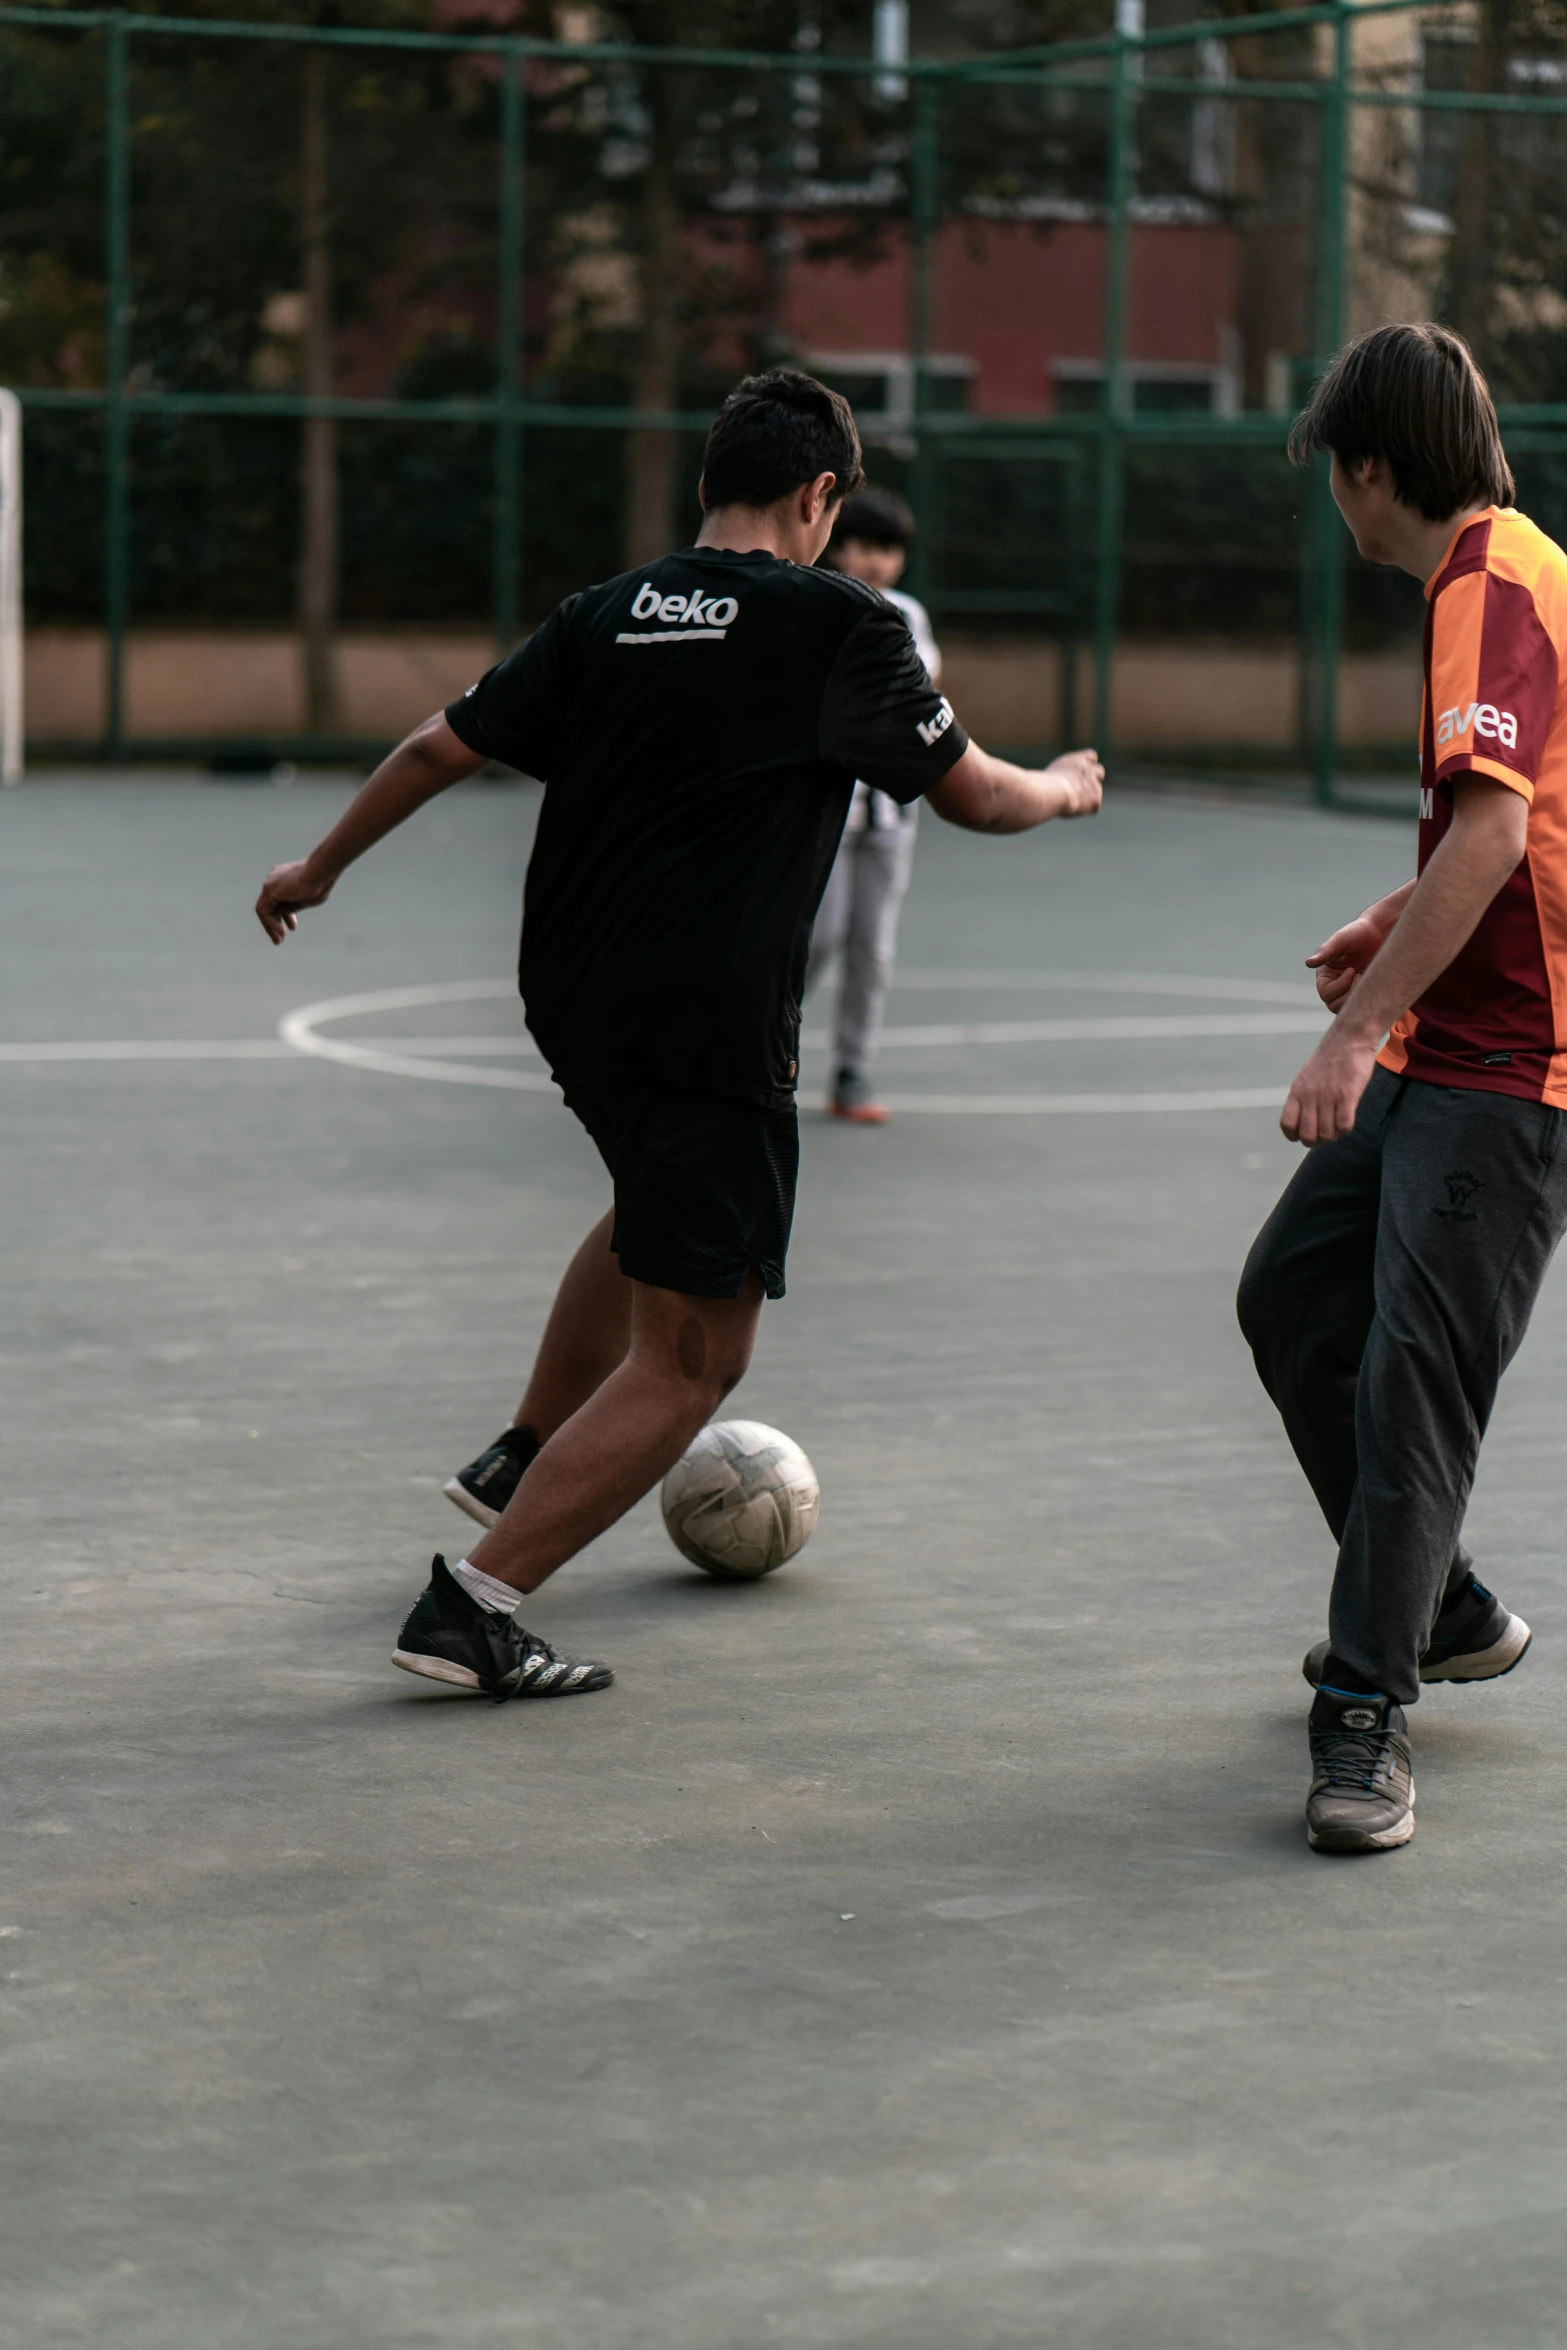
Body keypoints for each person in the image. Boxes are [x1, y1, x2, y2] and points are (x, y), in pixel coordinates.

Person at [256, 369, 1103, 1705]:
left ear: (709, 485)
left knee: (649, 1193)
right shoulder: (842, 623)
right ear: (819, 496)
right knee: (700, 1353)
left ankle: (526, 1443)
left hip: (573, 993)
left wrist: (319, 861)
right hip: (709, 1012)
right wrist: (1059, 788)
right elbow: (976, 799)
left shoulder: (606, 612)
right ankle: (474, 1604)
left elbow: (436, 744)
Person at [1237, 322, 1567, 1853]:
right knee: (1291, 1297)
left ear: (1369, 469)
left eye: (1333, 475)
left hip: (1511, 1070)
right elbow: (1501, 825)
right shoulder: (1495, 576)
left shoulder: (1489, 583)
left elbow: (1499, 838)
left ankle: (1364, 1716)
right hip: (1463, 1034)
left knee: (1406, 1380)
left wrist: (1346, 1033)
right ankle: (1431, 1602)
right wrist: (1396, 916)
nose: (1333, 501)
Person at [805, 487, 938, 1124]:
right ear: (838, 546)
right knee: (818, 937)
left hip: (891, 815)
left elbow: (920, 698)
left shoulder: (910, 615)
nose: (876, 560)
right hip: (825, 810)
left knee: (873, 949)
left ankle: (852, 1072)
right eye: (863, 546)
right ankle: (759, 1043)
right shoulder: (815, 604)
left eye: (889, 550)